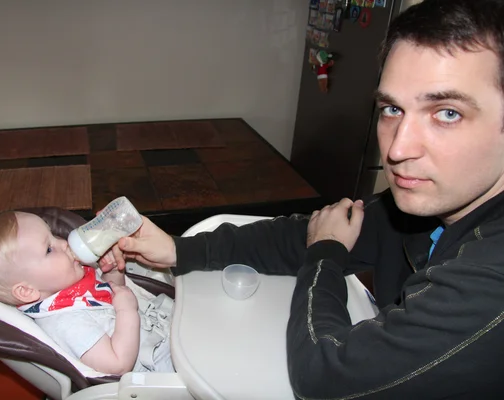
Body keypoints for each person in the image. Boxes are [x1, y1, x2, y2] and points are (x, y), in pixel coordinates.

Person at [100, 0, 504, 397]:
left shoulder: (488, 285)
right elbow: (306, 235)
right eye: (392, 109)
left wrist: (326, 254)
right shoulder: (435, 202)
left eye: (447, 113)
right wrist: (179, 249)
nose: (397, 149)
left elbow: (324, 377)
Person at [0, 211, 174, 375]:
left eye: (53, 235)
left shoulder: (70, 280)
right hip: (163, 368)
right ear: (27, 290)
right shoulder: (66, 322)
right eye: (49, 249)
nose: (63, 243)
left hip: (170, 331)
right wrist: (127, 310)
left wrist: (113, 271)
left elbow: (113, 292)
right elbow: (118, 364)